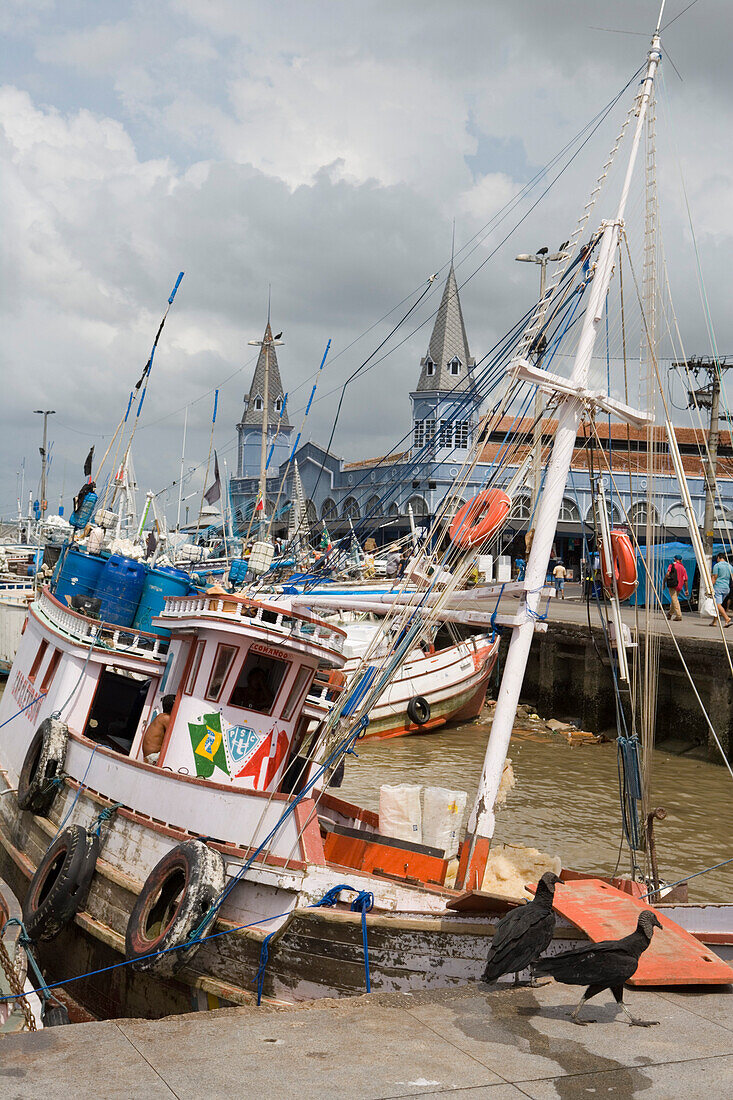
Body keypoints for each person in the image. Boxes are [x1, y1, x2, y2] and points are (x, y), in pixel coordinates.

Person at [142, 694, 176, 764]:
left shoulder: (161, 717)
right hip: (153, 756)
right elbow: (175, 736)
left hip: (150, 756)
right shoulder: (166, 718)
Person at [711, 553, 733, 627]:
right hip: (726, 588)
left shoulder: (717, 566)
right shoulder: (730, 566)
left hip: (718, 587)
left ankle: (727, 618)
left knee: (717, 604)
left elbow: (715, 577)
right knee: (718, 605)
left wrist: (710, 586)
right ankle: (714, 621)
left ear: (718, 558)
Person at [665, 554, 688, 622]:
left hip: (673, 584)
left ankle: (678, 615)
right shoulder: (683, 568)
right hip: (680, 586)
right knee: (674, 600)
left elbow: (667, 574)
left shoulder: (672, 565)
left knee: (674, 600)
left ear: (675, 559)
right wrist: (686, 589)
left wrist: (664, 581)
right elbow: (686, 579)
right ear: (681, 560)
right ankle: (670, 614)